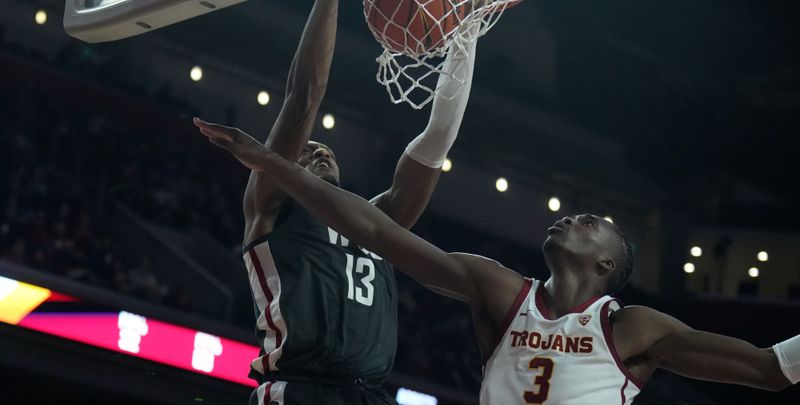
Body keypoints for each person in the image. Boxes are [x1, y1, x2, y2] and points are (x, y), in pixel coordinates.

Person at [193, 117, 799, 404]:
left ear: (608, 266)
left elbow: (770, 369)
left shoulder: (632, 328)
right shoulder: (502, 291)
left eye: (590, 223)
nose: (570, 218)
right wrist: (271, 163)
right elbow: (376, 231)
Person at [235, 0, 486, 405]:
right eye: (306, 152)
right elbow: (303, 98)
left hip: (371, 397)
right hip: (300, 389)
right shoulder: (274, 209)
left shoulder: (378, 223)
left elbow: (438, 136)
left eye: (325, 149)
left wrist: (467, 29)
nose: (318, 150)